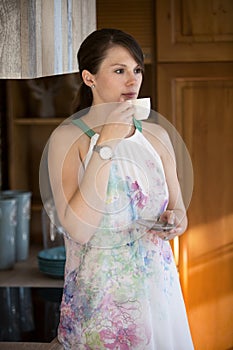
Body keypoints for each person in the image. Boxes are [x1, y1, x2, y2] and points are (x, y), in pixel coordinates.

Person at [44, 28, 194, 349]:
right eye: (119, 70)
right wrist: (106, 143)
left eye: (137, 69)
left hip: (158, 295)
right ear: (89, 78)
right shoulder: (67, 139)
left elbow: (179, 210)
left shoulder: (157, 136)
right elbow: (78, 230)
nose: (133, 80)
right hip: (101, 304)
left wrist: (175, 220)